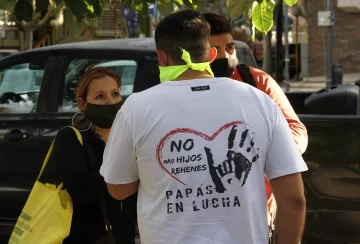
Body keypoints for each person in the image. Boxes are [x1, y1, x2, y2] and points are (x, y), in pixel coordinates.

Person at [100, 9, 307, 244]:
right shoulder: (258, 101)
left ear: (161, 57)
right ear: (211, 54)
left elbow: (118, 189)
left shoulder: (135, 109)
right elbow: (294, 201)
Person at [203, 12, 308, 232]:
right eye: (215, 50)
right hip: (203, 214)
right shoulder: (183, 89)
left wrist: (267, 152)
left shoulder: (257, 81)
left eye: (229, 48)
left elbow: (297, 131)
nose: (225, 55)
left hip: (257, 215)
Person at [47, 67, 137, 244]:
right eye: (100, 96)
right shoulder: (71, 138)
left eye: (115, 94)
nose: (110, 102)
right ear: (82, 104)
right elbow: (82, 193)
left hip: (123, 235)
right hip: (89, 237)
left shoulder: (130, 135)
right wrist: (121, 164)